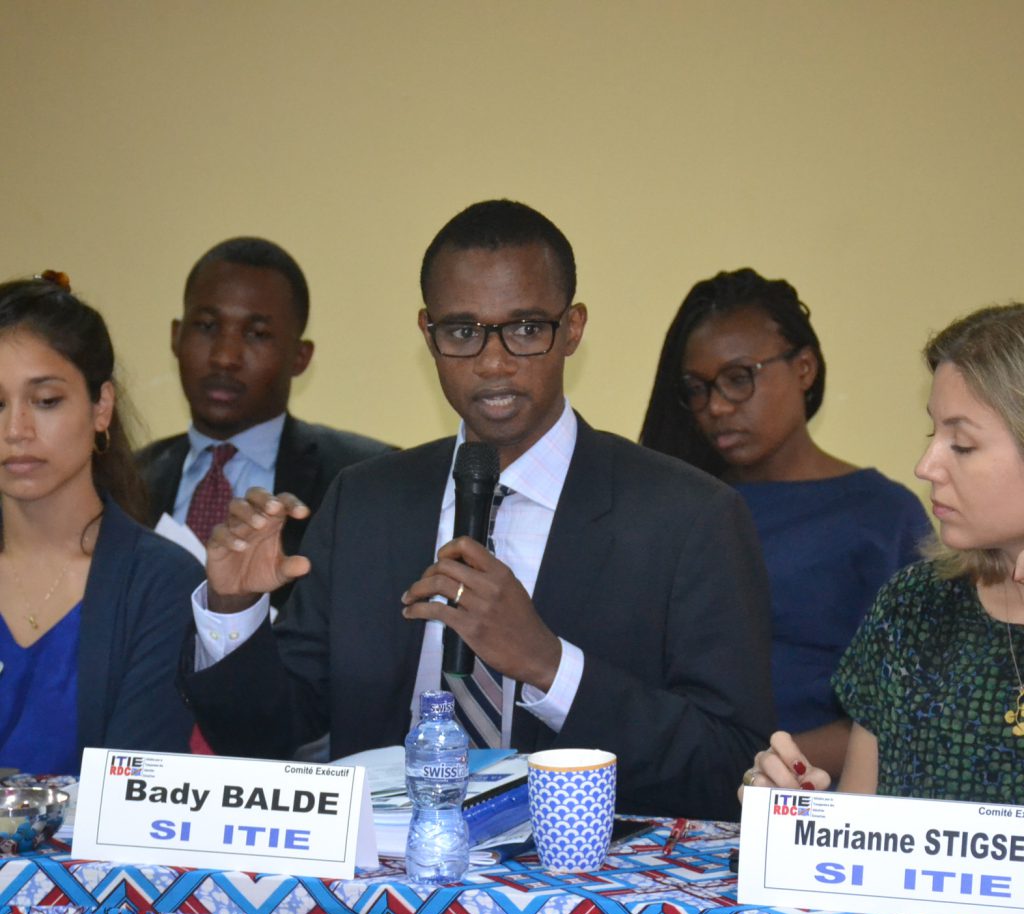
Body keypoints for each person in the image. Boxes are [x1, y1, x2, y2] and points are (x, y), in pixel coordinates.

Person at [180, 200, 775, 820]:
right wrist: (234, 610)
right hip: (386, 871)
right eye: (463, 332)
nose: (493, 363)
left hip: (586, 873)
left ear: (572, 329)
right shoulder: (365, 502)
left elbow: (730, 765)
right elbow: (269, 737)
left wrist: (548, 665)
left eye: (526, 329)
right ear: (428, 334)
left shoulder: (689, 517)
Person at [640, 268, 930, 778]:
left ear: (804, 368)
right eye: (697, 388)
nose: (716, 406)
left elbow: (913, 705)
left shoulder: (882, 516)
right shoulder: (678, 505)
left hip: (816, 793)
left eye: (738, 377)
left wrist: (765, 763)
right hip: (673, 782)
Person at [742, 302, 1024, 802]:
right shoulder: (911, 607)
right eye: (933, 434)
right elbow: (863, 828)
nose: (925, 466)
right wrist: (794, 813)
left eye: (962, 444)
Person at [0, 273, 203, 773]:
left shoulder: (161, 581)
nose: (15, 430)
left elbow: (134, 783)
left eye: (46, 401)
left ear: (101, 407)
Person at [136, 236, 392, 608]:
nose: (225, 357)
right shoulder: (126, 480)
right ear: (176, 337)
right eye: (206, 326)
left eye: (257, 334)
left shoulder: (364, 480)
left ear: (300, 357)